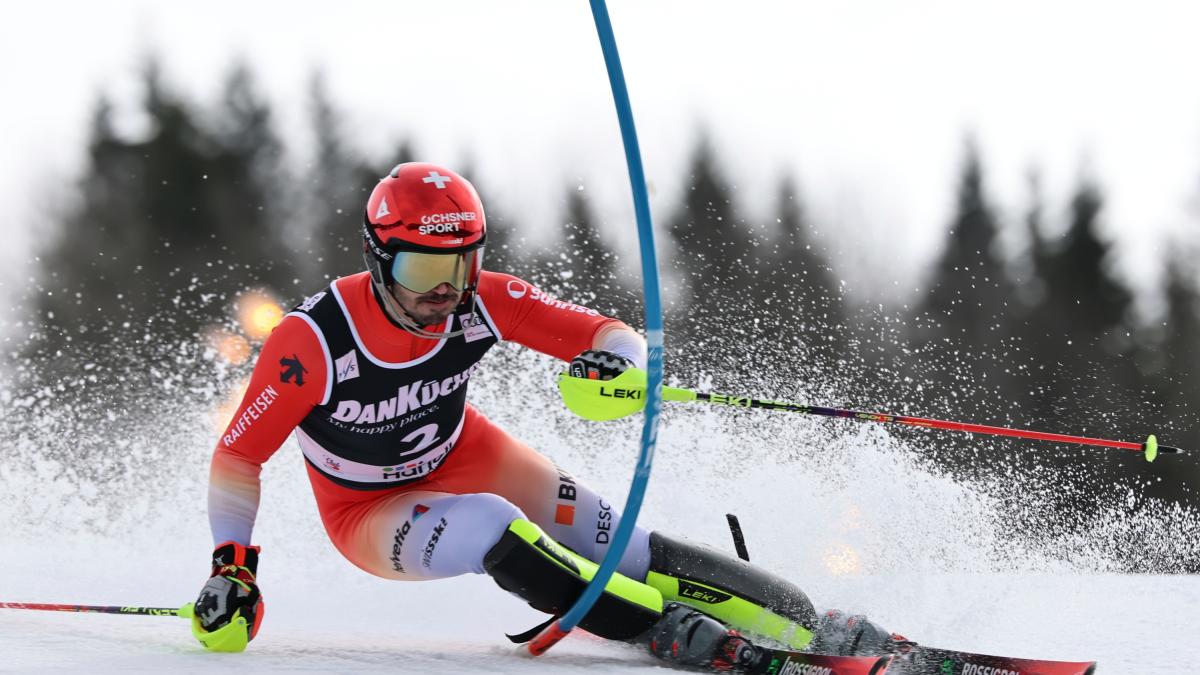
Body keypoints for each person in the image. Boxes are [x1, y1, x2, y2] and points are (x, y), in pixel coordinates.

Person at [191, 162, 903, 669]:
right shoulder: (311, 341)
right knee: (494, 526)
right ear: (379, 259)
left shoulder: (480, 301)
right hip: (368, 509)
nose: (446, 294)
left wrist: (619, 365)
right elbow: (238, 455)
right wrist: (234, 567)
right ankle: (671, 633)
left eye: (461, 268)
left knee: (621, 544)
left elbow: (610, 334)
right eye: (423, 273)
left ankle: (815, 626)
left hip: (465, 451)